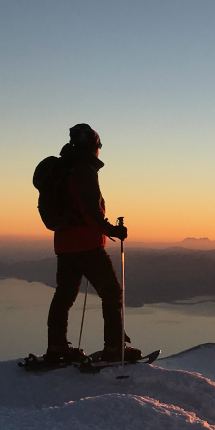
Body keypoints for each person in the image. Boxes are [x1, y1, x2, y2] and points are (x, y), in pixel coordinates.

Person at [44, 124, 141, 363]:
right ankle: (114, 349)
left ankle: (56, 348)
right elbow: (90, 211)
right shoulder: (84, 170)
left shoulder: (63, 169)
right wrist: (111, 230)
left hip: (64, 245)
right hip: (87, 245)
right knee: (112, 294)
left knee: (63, 297)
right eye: (99, 146)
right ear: (94, 146)